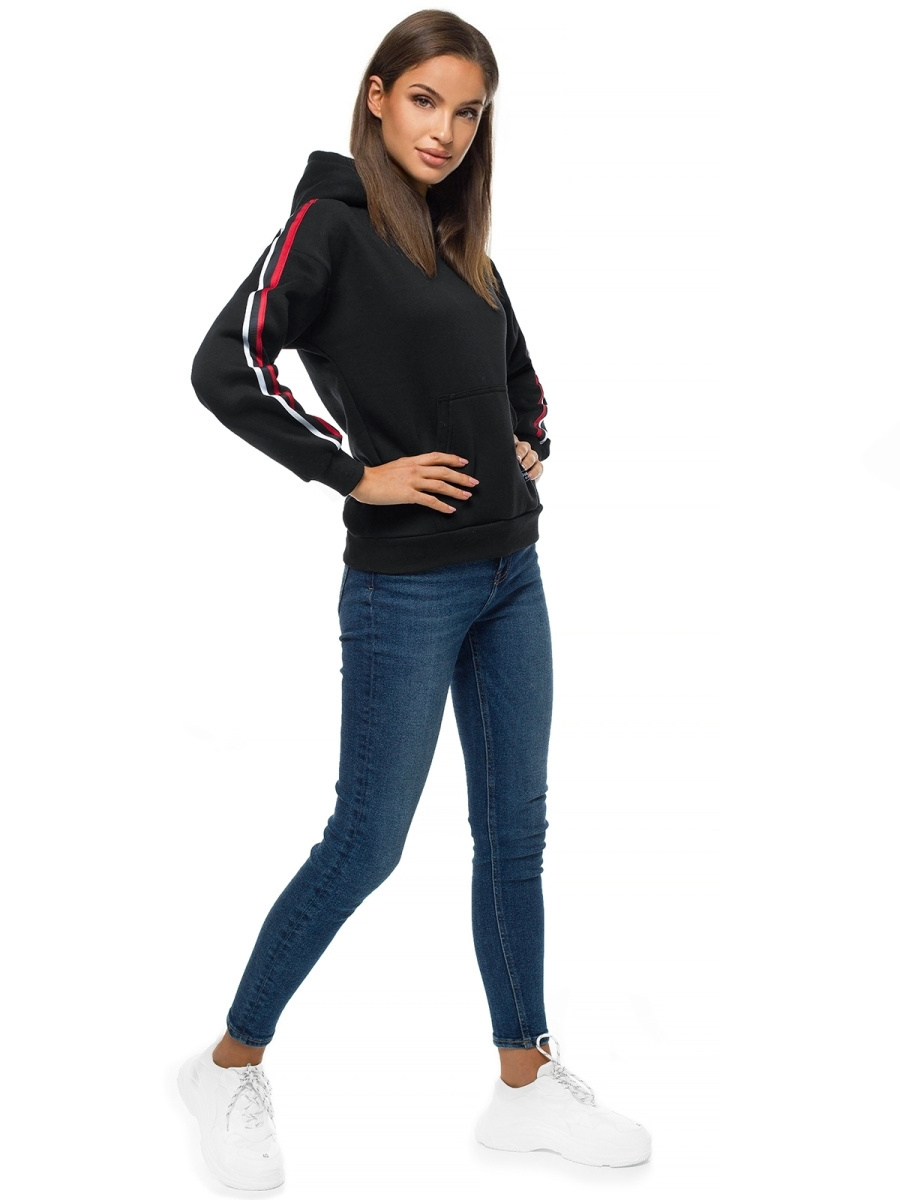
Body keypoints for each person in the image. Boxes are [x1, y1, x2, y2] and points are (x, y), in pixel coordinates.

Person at [177, 9, 650, 1189]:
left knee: (515, 834)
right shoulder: (329, 228)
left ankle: (524, 1085)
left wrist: (528, 444)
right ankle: (230, 1063)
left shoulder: (461, 242)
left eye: (469, 111)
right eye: (427, 99)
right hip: (407, 590)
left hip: (511, 576)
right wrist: (354, 472)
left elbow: (518, 382)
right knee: (367, 841)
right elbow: (226, 363)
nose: (446, 129)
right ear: (378, 96)